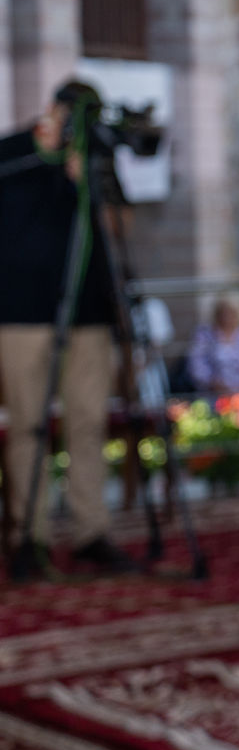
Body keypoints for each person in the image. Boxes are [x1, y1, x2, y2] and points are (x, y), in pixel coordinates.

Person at [0, 80, 137, 578]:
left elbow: (122, 227)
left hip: (89, 314)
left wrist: (89, 185)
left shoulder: (97, 163)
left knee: (87, 423)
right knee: (29, 427)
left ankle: (90, 533)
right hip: (21, 314)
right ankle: (28, 539)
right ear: (52, 111)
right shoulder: (12, 154)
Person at [187, 291, 239, 396]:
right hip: (212, 395)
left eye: (232, 312)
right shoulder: (204, 335)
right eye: (223, 312)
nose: (227, 317)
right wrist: (213, 383)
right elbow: (196, 365)